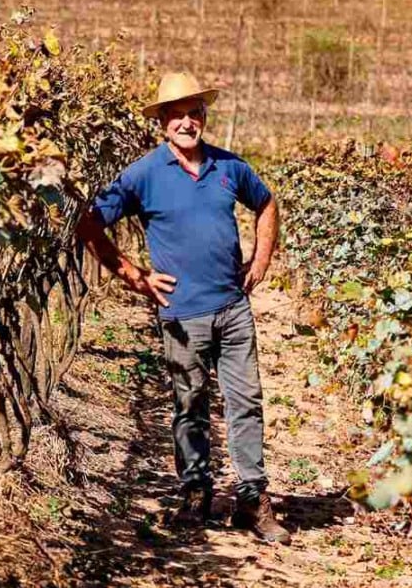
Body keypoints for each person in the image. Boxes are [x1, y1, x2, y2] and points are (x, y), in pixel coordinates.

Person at [75, 72, 291, 545]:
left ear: (203, 118)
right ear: (163, 123)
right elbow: (89, 223)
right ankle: (196, 494)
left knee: (246, 403)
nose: (187, 122)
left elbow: (267, 202)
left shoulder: (229, 167)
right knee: (189, 405)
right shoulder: (144, 174)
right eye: (177, 115)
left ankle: (253, 500)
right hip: (182, 315)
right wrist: (133, 275)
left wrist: (261, 258)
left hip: (233, 309)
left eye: (195, 113)